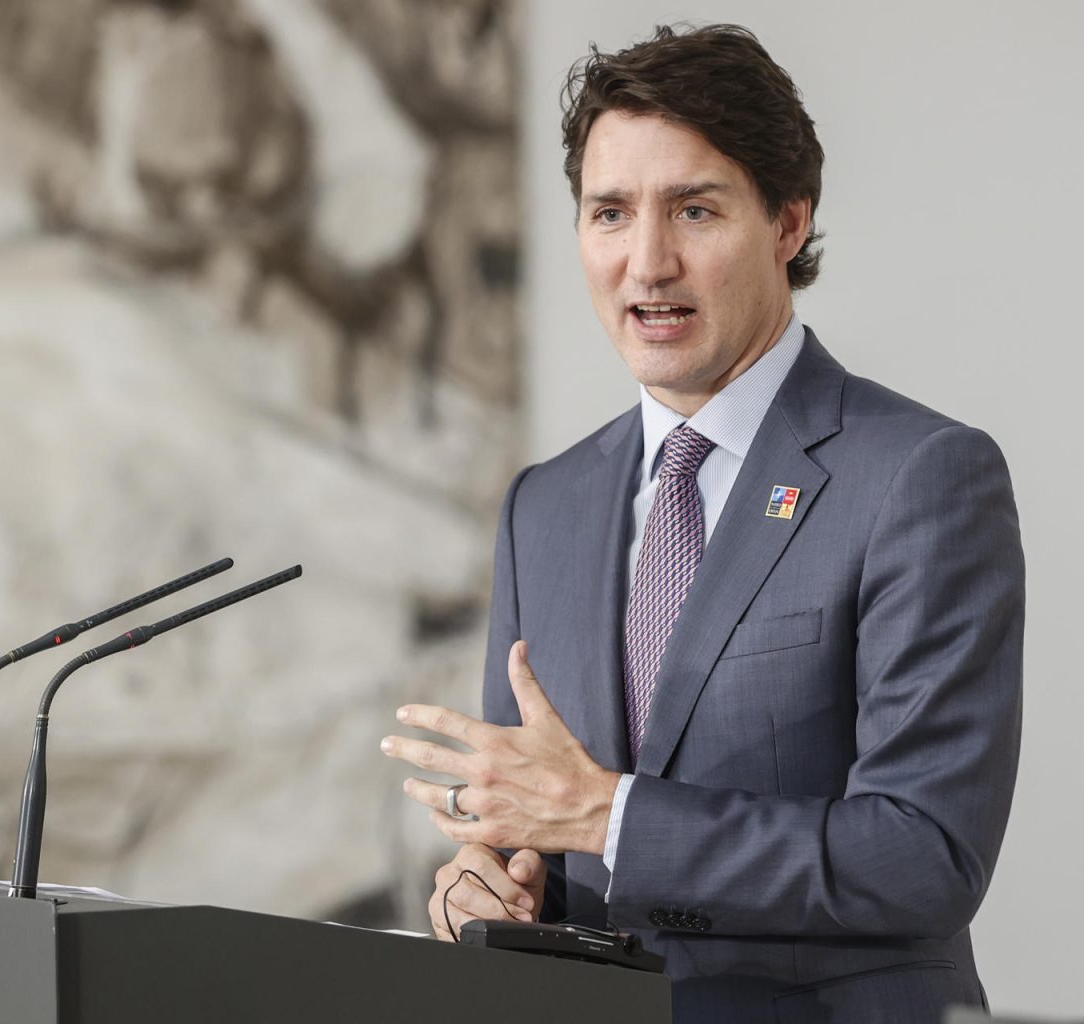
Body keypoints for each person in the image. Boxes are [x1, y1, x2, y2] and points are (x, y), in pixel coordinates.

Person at [380, 24, 1024, 1024]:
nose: (648, 261)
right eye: (610, 212)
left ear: (786, 221)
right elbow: (535, 827)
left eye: (694, 208)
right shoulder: (542, 507)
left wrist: (608, 813)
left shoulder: (920, 477)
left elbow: (922, 853)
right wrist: (483, 882)